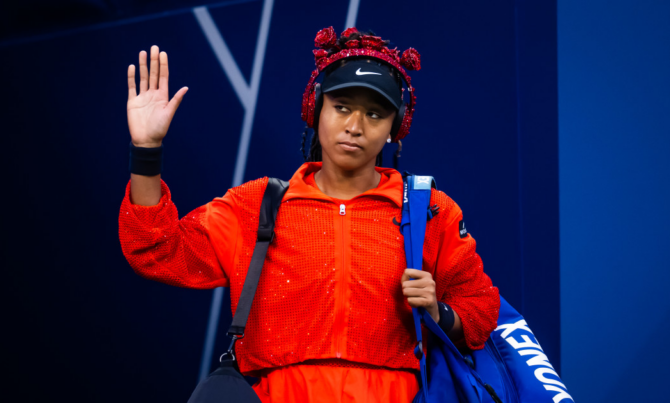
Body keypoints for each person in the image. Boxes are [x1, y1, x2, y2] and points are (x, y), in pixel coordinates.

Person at [119, 27, 500, 403]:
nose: (354, 126)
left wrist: (439, 312)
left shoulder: (427, 210)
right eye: (342, 107)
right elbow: (156, 249)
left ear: (394, 129)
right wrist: (146, 150)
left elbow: (480, 309)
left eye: (374, 113)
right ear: (315, 110)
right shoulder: (258, 204)